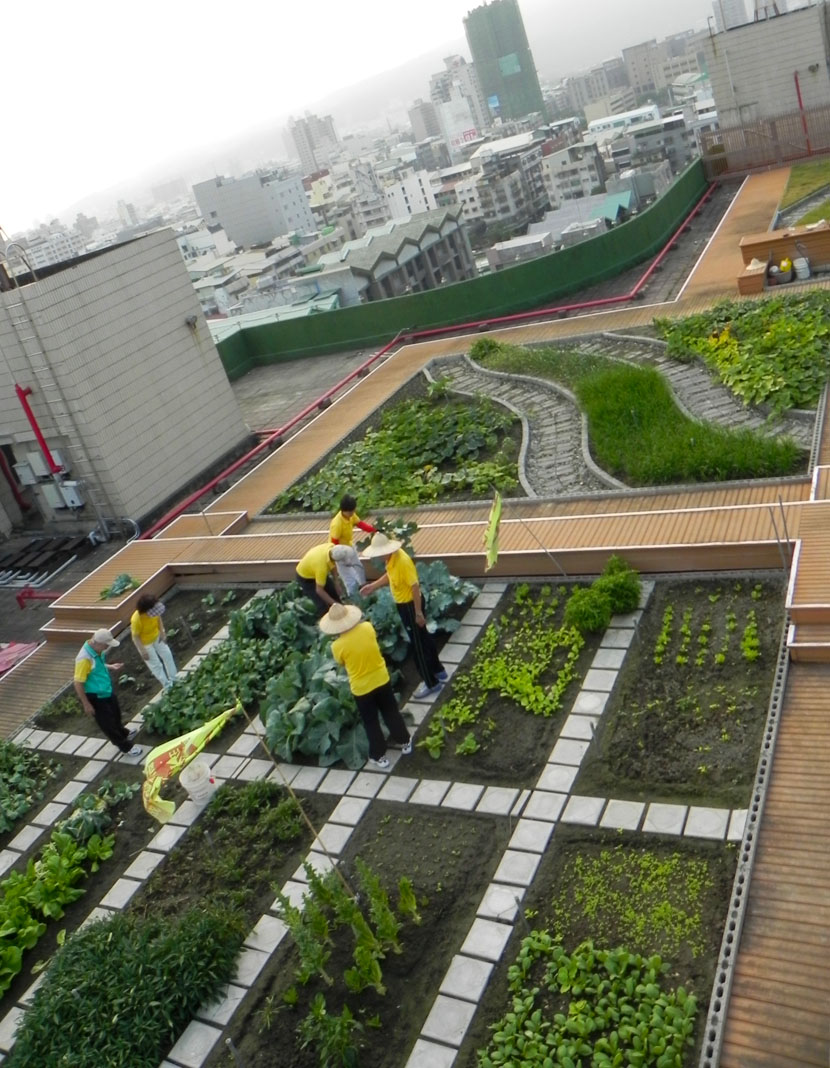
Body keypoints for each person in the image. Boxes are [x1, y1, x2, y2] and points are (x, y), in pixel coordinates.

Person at [320, 602, 411, 770]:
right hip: (381, 678)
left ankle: (379, 756)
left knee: (371, 722)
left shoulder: (337, 646)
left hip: (361, 689)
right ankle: (405, 741)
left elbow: (341, 663)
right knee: (391, 712)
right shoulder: (368, 628)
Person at [360, 532, 447, 699]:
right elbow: (390, 576)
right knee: (424, 638)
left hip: (410, 606)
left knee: (418, 647)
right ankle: (439, 670)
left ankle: (431, 683)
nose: (378, 557)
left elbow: (414, 587)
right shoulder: (391, 559)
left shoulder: (403, 562)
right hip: (406, 605)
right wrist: (373, 586)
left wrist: (418, 613)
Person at [73, 628, 143, 758]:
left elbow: (96, 665)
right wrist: (86, 703)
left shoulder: (95, 650)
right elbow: (78, 683)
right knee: (108, 724)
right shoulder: (83, 659)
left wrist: (110, 666)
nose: (106, 648)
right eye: (106, 645)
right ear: (98, 643)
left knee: (115, 714)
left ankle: (123, 732)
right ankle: (125, 746)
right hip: (95, 696)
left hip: (105, 690)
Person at [329, 494, 376, 596]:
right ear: (344, 510)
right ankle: (353, 596)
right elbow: (334, 542)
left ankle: (364, 587)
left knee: (358, 567)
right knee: (348, 577)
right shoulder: (337, 523)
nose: (353, 513)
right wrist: (343, 559)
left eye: (353, 511)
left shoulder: (351, 515)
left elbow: (360, 524)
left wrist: (374, 530)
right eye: (351, 512)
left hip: (349, 546)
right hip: (339, 552)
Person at [130, 594, 177, 690]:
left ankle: (174, 679)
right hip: (145, 644)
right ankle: (167, 685)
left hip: (156, 637)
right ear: (146, 609)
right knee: (156, 665)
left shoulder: (155, 610)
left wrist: (162, 633)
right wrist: (143, 651)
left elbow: (159, 619)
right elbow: (135, 637)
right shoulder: (136, 619)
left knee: (167, 655)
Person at [296, 541, 351, 617]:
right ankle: (326, 621)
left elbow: (333, 565)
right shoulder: (321, 568)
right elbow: (319, 590)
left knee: (333, 592)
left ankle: (342, 615)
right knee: (322, 605)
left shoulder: (332, 547)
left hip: (315, 568)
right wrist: (335, 604)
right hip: (306, 578)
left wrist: (336, 583)